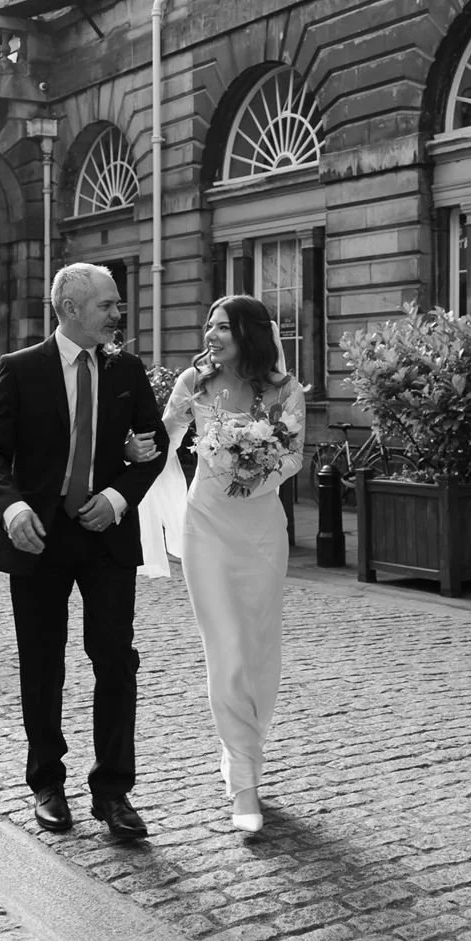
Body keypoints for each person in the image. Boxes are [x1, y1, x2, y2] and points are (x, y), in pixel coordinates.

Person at [0, 262, 167, 839]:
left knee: (115, 660)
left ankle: (113, 791)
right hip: (38, 534)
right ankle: (47, 783)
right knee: (42, 661)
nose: (119, 313)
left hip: (105, 534)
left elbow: (154, 450)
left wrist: (117, 495)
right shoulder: (22, 369)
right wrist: (11, 509)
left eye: (117, 304)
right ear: (70, 310)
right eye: (108, 305)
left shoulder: (128, 369)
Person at [147, 295, 305, 834]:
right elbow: (160, 440)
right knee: (228, 649)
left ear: (250, 333)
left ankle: (244, 750)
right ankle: (245, 780)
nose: (210, 335)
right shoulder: (194, 384)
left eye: (222, 327)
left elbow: (292, 457)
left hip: (261, 533)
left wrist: (254, 463)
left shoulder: (286, 391)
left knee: (259, 649)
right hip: (206, 529)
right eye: (207, 324)